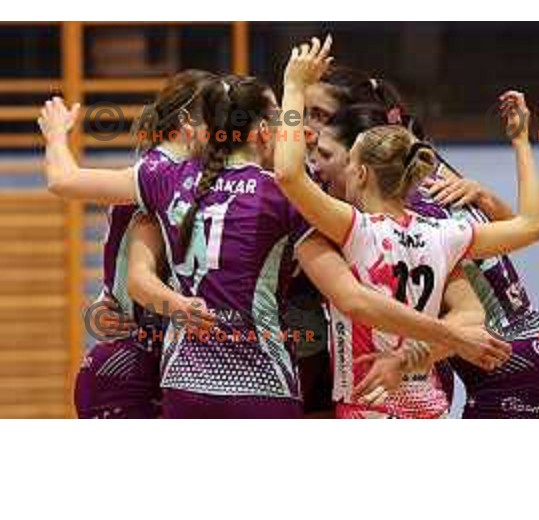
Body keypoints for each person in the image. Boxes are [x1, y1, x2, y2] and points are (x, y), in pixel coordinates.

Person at [126, 70, 511, 419]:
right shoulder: (291, 198)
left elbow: (70, 181)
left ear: (358, 162)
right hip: (281, 382)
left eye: (319, 118)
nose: (307, 130)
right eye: (299, 116)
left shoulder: (175, 179)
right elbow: (530, 229)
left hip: (193, 384)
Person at [274, 37, 539, 419]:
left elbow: (287, 175)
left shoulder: (355, 229)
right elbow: (534, 226)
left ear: (360, 171)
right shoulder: (442, 234)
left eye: (327, 153)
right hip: (427, 404)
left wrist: (292, 87)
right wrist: (521, 141)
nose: (317, 159)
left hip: (367, 404)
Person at [38, 70, 216, 418]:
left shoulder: (184, 176)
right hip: (128, 362)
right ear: (188, 122)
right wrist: (57, 136)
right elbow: (63, 181)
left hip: (150, 356)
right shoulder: (161, 173)